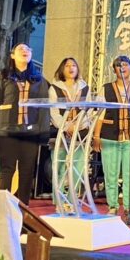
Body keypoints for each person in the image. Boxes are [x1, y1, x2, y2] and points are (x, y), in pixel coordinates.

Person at [0, 44, 50, 206]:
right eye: (21, 49)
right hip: (6, 131)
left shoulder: (39, 80)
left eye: (28, 49)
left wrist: (43, 134)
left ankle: (23, 208)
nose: (25, 51)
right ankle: (2, 206)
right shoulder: (2, 77)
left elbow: (44, 109)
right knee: (7, 170)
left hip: (30, 133)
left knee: (27, 172)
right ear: (12, 55)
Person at [93, 55, 130, 218]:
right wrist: (96, 136)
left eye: (125, 65)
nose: (122, 68)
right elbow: (99, 114)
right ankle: (112, 206)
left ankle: (129, 207)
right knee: (110, 173)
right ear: (114, 70)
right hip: (109, 136)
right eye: (118, 65)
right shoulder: (105, 89)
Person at [48, 57, 90, 196]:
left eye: (73, 65)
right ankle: (58, 199)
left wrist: (78, 126)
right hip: (60, 133)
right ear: (62, 69)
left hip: (80, 133)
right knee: (59, 167)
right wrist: (66, 127)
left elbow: (89, 110)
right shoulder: (55, 88)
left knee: (77, 167)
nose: (71, 68)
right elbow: (54, 112)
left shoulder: (85, 88)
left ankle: (73, 199)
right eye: (67, 66)